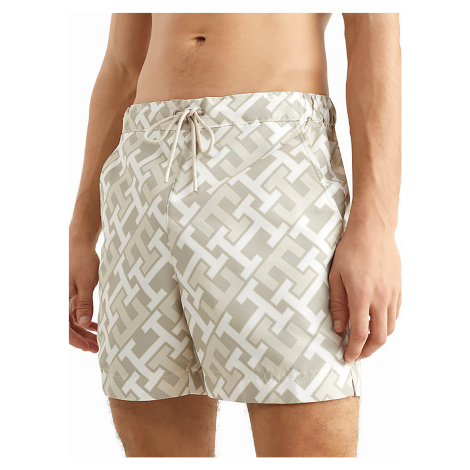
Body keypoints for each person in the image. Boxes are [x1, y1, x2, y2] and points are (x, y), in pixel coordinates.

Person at [69, 13, 401, 457]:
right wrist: (81, 231)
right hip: (143, 168)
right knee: (150, 431)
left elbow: (372, 34)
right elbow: (122, 66)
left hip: (274, 164)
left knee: (306, 428)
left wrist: (376, 227)